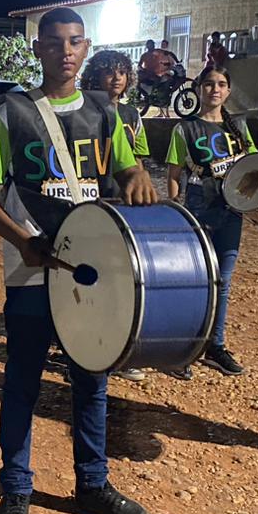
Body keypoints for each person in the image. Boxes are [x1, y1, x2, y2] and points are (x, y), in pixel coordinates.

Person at [0, 6, 159, 514]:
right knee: (23, 384)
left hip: (93, 270)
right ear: (38, 50)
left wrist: (138, 175)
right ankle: (15, 491)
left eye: (75, 42)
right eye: (54, 43)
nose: (65, 52)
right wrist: (22, 241)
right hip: (32, 271)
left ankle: (92, 484)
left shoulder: (104, 112)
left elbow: (126, 169)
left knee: (91, 382)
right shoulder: (11, 112)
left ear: (86, 47)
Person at [165, 68, 258, 380]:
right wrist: (174, 209)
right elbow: (174, 174)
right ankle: (182, 349)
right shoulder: (185, 129)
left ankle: (214, 347)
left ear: (228, 91)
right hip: (199, 209)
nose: (215, 89)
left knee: (222, 282)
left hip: (231, 210)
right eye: (209, 84)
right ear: (198, 89)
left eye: (221, 84)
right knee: (196, 280)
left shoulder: (239, 126)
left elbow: (256, 162)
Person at [80, 48, 150, 384]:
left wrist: (139, 190)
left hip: (121, 206)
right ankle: (81, 348)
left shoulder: (132, 115)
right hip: (91, 202)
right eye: (109, 71)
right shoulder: (84, 109)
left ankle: (118, 349)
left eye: (122, 71)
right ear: (95, 75)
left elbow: (138, 159)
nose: (117, 77)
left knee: (121, 278)